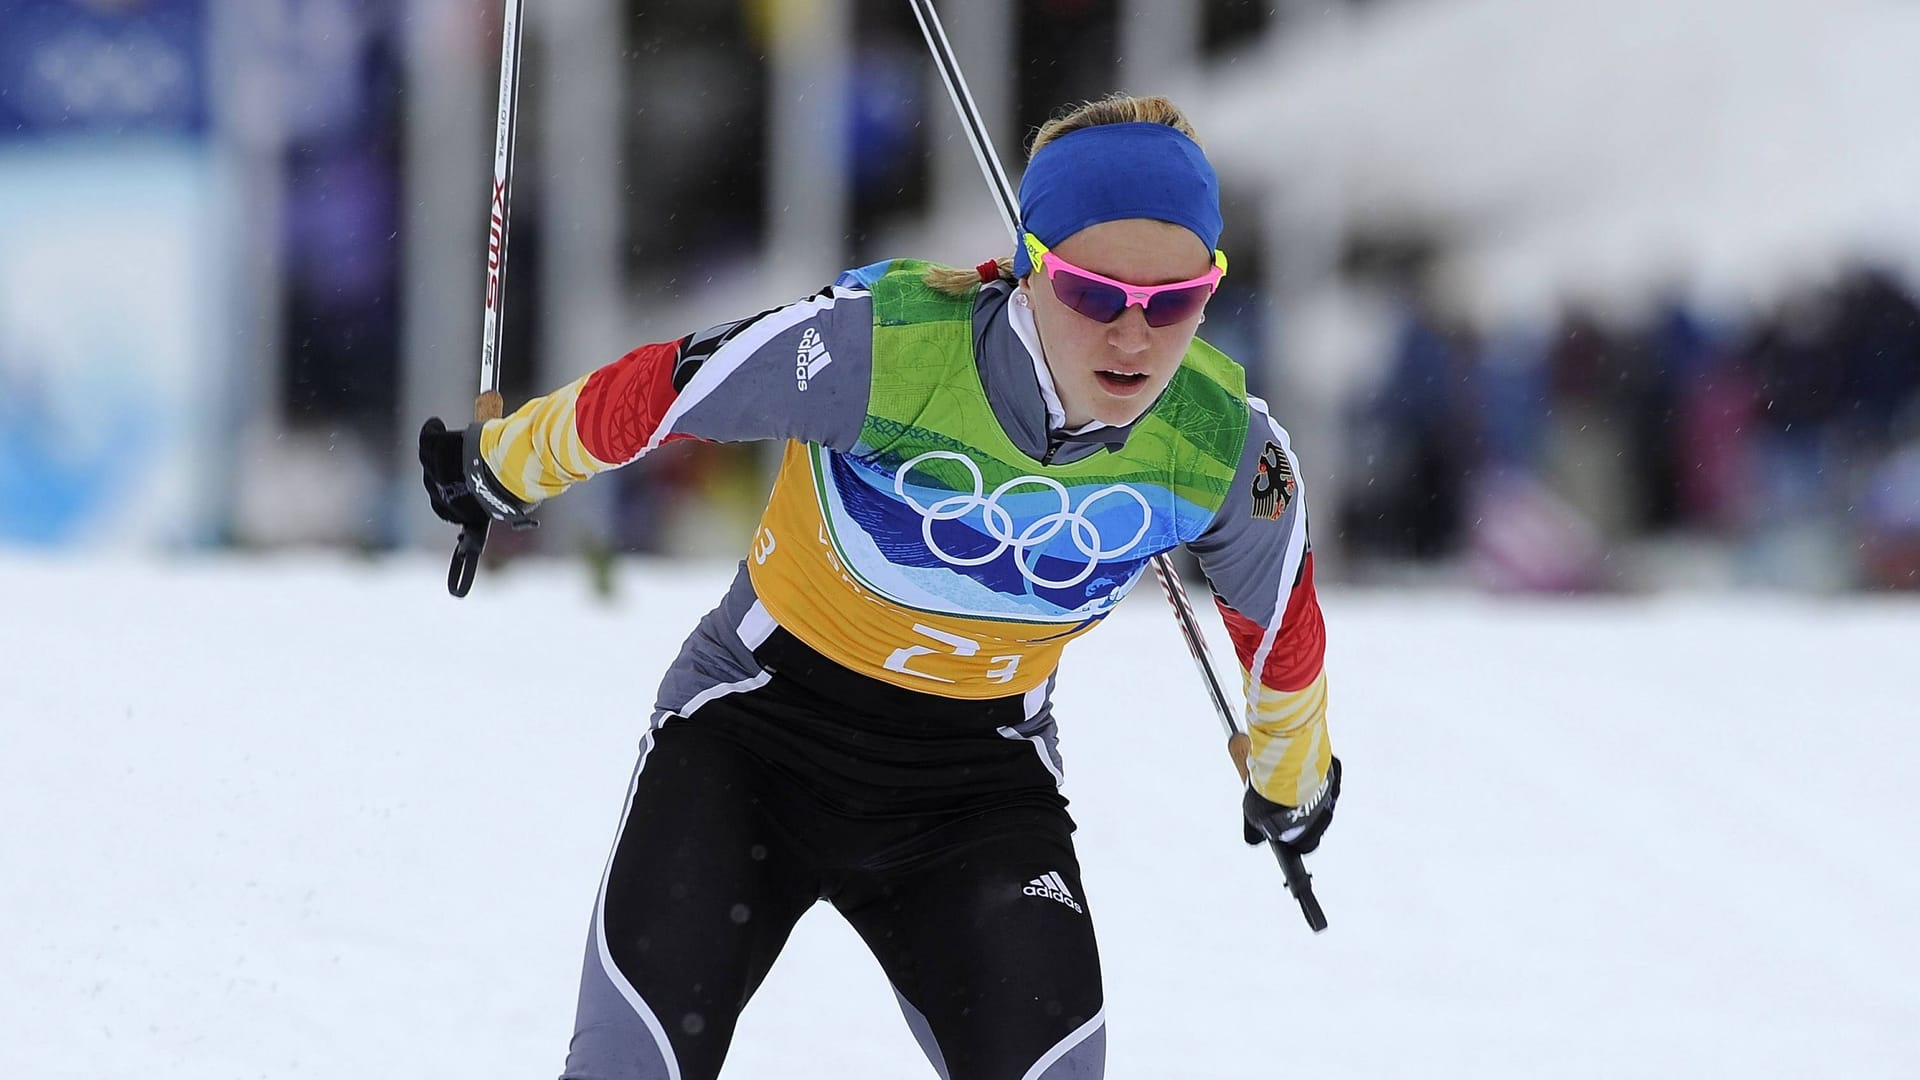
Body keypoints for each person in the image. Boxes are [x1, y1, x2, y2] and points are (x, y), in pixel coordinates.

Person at [419, 94, 1339, 1080]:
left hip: (975, 794)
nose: (1134, 333)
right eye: (1092, 294)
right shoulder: (883, 351)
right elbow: (665, 391)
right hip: (752, 744)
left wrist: (1292, 786)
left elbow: (1279, 628)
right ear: (1032, 270)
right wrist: (502, 468)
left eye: (1175, 301)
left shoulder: (1220, 448)